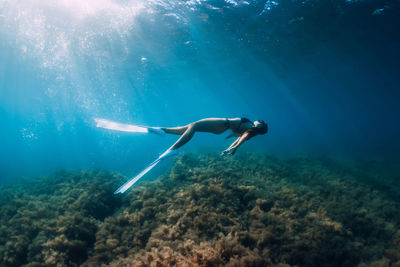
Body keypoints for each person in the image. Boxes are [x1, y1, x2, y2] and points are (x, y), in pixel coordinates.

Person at [149, 117, 268, 156]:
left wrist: (235, 148)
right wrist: (231, 149)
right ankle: (162, 130)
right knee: (186, 128)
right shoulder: (251, 129)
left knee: (193, 126)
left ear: (261, 126)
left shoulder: (252, 128)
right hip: (222, 127)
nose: (258, 120)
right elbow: (239, 139)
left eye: (261, 122)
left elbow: (242, 138)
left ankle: (172, 150)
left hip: (222, 124)